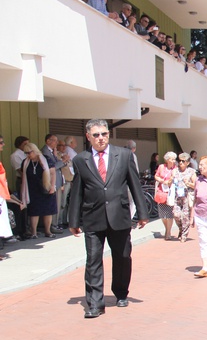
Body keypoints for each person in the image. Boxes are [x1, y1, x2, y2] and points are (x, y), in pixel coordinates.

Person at [68, 119, 148, 318]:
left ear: (108, 134)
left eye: (103, 134)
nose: (100, 138)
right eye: (96, 135)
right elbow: (76, 192)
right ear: (88, 137)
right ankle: (95, 304)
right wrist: (73, 221)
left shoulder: (124, 155)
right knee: (93, 260)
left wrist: (142, 213)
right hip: (92, 218)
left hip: (119, 216)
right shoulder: (80, 160)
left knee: (122, 257)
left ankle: (121, 292)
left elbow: (134, 185)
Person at [20, 143, 57, 239]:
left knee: (48, 210)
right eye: (26, 153)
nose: (28, 155)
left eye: (29, 152)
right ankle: (34, 232)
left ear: (35, 151)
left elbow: (53, 173)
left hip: (46, 187)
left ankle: (48, 231)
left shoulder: (46, 159)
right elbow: (22, 174)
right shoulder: (25, 162)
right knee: (34, 211)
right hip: (32, 188)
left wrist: (52, 186)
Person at [41, 134, 66, 232]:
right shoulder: (45, 152)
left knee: (58, 204)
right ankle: (53, 225)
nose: (57, 143)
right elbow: (52, 167)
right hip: (52, 181)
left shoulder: (52, 151)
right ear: (48, 141)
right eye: (55, 141)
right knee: (54, 204)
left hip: (58, 181)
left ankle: (55, 224)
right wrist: (63, 161)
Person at [172, 153, 196, 243]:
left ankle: (184, 235)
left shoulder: (191, 171)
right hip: (177, 196)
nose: (180, 163)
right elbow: (171, 182)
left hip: (186, 196)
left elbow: (196, 185)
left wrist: (188, 183)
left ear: (188, 162)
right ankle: (181, 229)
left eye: (183, 161)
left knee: (185, 217)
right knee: (176, 215)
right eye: (179, 161)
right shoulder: (175, 171)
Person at [154, 152, 177, 240]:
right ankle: (167, 229)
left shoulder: (175, 168)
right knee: (162, 215)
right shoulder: (161, 167)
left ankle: (168, 232)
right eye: (171, 159)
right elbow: (156, 176)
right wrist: (161, 180)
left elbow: (175, 179)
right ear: (167, 159)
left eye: (174, 159)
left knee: (169, 214)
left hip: (170, 193)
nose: (173, 161)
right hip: (161, 192)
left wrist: (171, 179)